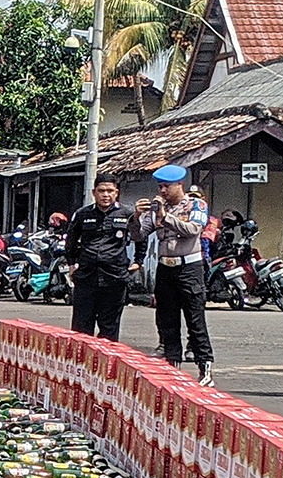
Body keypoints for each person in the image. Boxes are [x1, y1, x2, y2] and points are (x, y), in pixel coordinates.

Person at [133, 164, 215, 385]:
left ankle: (204, 365)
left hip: (189, 267)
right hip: (165, 267)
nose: (162, 191)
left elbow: (192, 230)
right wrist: (136, 217)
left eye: (166, 187)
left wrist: (165, 216)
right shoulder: (157, 207)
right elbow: (140, 235)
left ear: (180, 185)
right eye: (160, 187)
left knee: (195, 318)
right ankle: (172, 364)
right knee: (166, 319)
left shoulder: (196, 205)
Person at [65, 176, 137, 341]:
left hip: (114, 277)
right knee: (81, 329)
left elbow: (140, 237)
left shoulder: (127, 213)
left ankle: (105, 365)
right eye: (101, 191)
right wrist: (71, 264)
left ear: (116, 193)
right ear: (94, 193)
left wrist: (138, 261)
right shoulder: (82, 214)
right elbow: (71, 241)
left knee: (109, 328)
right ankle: (81, 365)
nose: (106, 195)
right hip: (86, 277)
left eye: (110, 191)